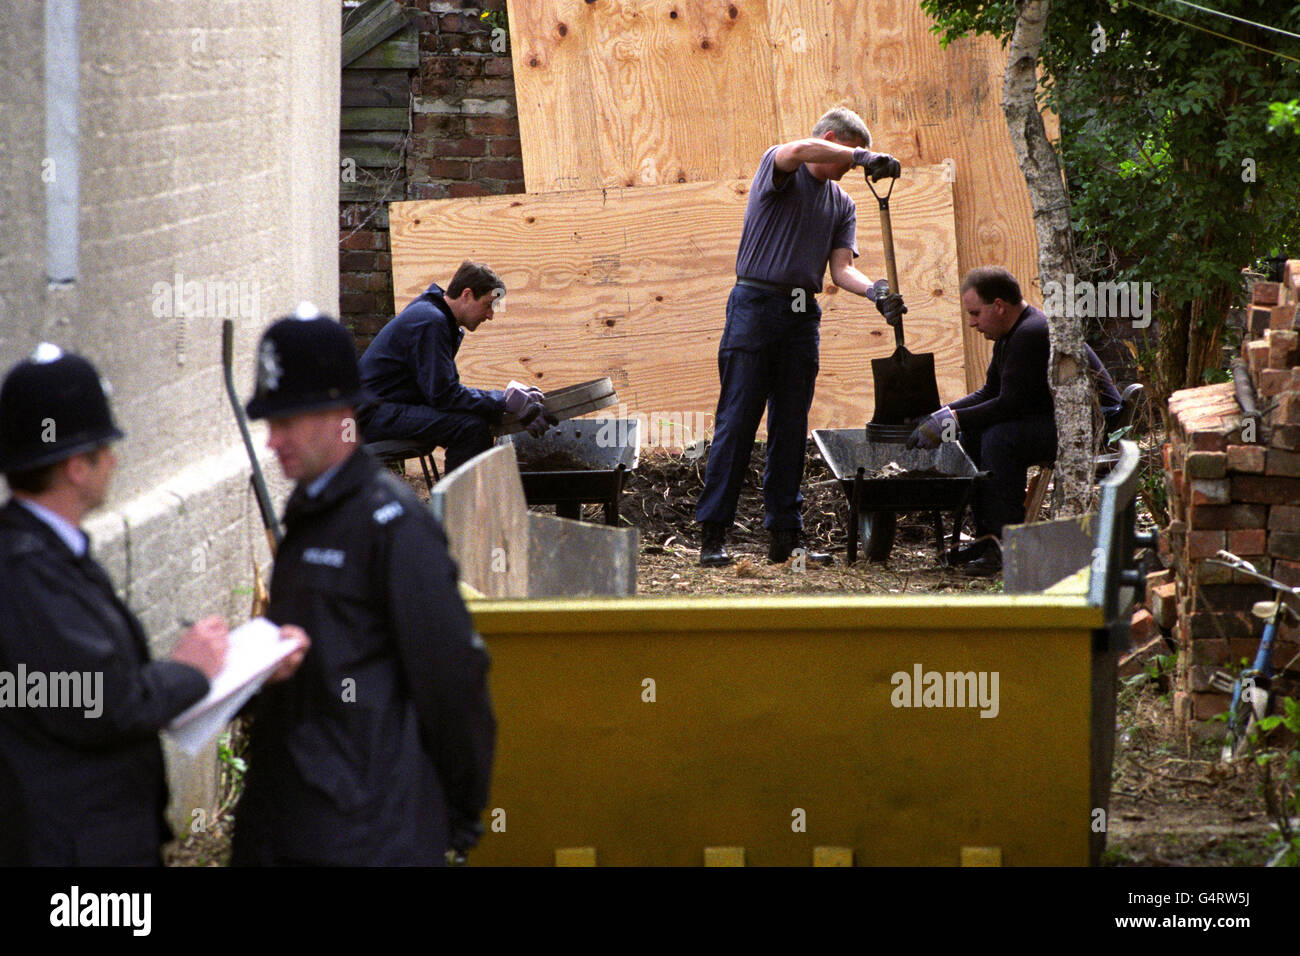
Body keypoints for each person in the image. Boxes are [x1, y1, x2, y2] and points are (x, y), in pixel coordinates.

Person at [231, 305, 496, 866]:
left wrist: (459, 807)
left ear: (341, 414)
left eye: (288, 422)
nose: (273, 442)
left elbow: (452, 679)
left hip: (366, 833)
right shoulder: (311, 513)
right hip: (296, 819)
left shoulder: (393, 527)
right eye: (269, 423)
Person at [0, 345, 242, 865]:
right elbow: (100, 701)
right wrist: (189, 671)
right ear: (76, 467)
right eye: (105, 446)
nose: (114, 458)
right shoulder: (27, 573)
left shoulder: (44, 555)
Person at [694, 106, 906, 567]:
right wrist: (863, 157)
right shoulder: (781, 168)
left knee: (790, 427)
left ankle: (786, 538)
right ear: (831, 140)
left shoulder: (841, 203)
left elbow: (841, 269)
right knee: (737, 421)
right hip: (755, 305)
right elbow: (799, 149)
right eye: (845, 158)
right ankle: (713, 536)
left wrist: (877, 293)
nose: (850, 171)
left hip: (800, 315)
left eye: (854, 163)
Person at [907, 266, 1123, 573]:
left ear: (998, 305)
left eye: (975, 313)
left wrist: (950, 422)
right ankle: (988, 541)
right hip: (1061, 418)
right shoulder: (1010, 336)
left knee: (1001, 437)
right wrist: (941, 415)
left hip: (1096, 425)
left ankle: (1006, 548)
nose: (971, 323)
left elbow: (1010, 405)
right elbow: (989, 393)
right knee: (977, 432)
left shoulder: (1031, 333)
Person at [358, 259, 554, 474]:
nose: (490, 315)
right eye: (488, 305)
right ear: (467, 294)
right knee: (470, 428)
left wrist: (504, 403)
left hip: (384, 408)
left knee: (472, 421)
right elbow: (444, 396)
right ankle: (458, 507)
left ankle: (461, 505)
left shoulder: (434, 316)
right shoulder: (431, 322)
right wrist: (503, 401)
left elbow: (441, 393)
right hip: (371, 417)